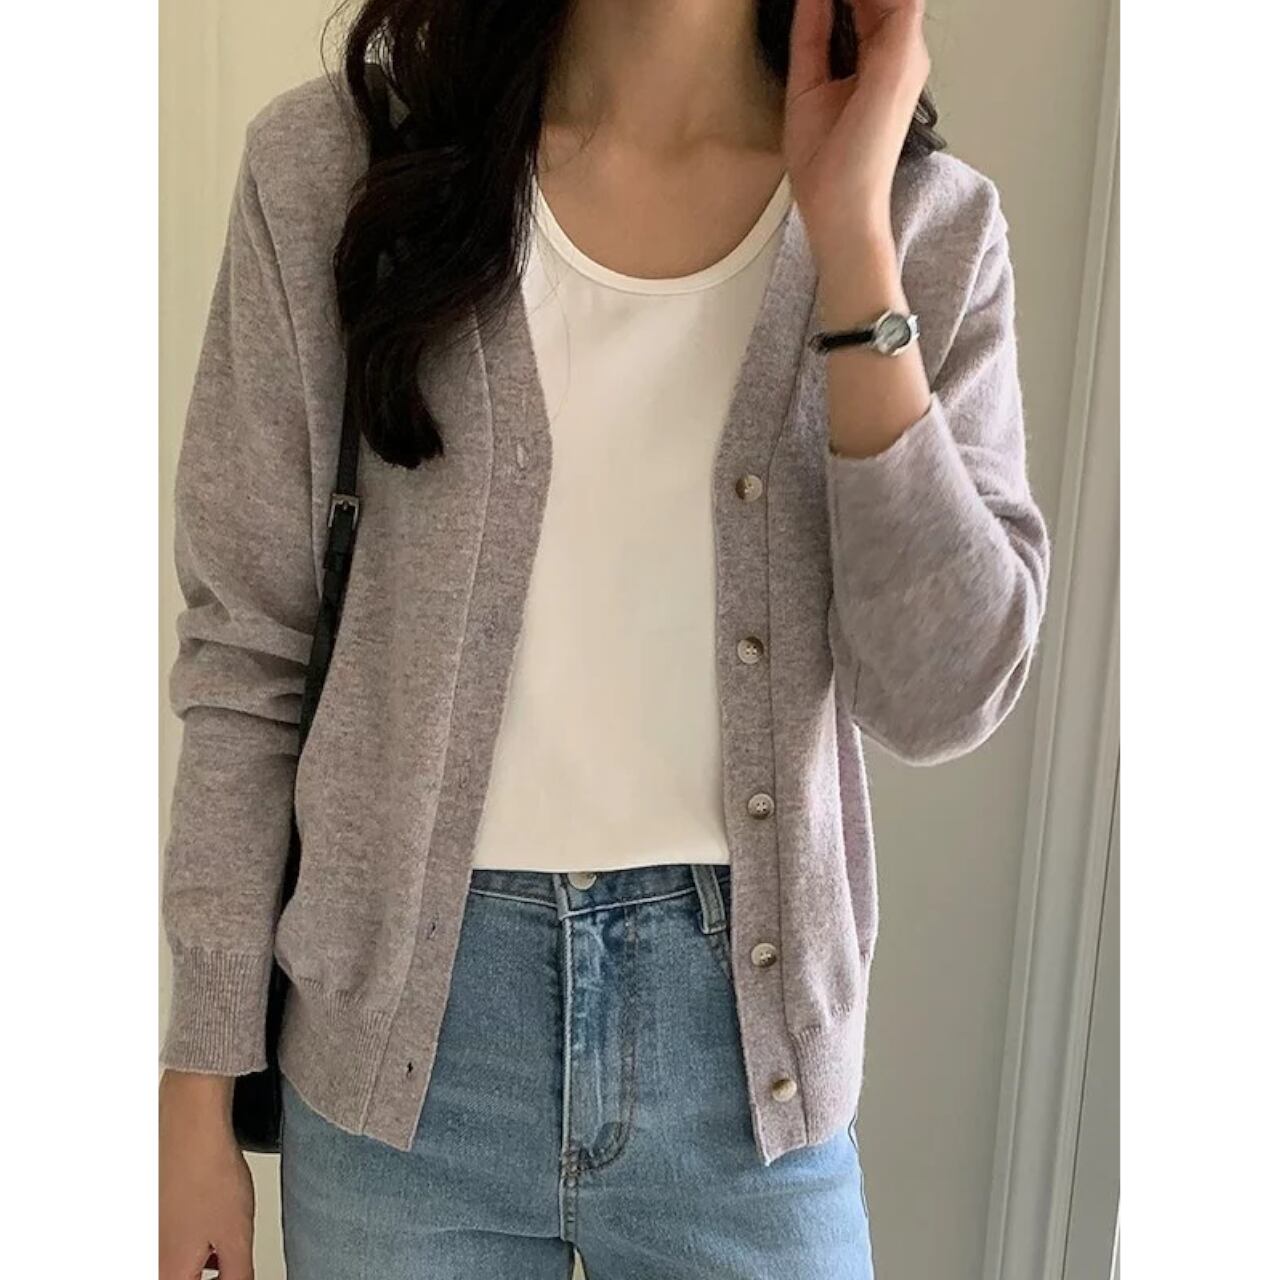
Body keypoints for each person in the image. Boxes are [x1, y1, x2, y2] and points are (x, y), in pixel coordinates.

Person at [158, 0, 1050, 1276]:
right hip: (397, 1062)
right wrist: (197, 1087)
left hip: (746, 1066)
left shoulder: (924, 222)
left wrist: (851, 240)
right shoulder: (335, 173)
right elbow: (247, 654)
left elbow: (943, 693)